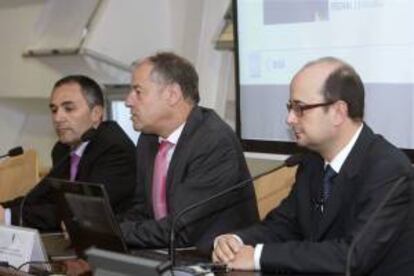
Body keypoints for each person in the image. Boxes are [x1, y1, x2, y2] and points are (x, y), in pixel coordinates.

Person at [212, 57, 414, 275]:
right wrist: (236, 241)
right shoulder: (312, 161)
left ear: (338, 112)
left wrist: (258, 256)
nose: (290, 119)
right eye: (290, 107)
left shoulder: (389, 170)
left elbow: (351, 257)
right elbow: (284, 225)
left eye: (300, 108)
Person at [119, 52, 259, 251]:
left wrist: (116, 231)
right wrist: (103, 228)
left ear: (172, 95)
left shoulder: (213, 141)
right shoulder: (149, 139)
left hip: (214, 262)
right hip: (167, 254)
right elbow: (141, 209)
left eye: (138, 91)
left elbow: (181, 230)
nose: (128, 101)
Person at [0, 75, 136, 231]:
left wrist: (9, 216)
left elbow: (81, 212)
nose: (58, 118)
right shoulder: (62, 149)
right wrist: (4, 208)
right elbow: (39, 199)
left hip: (110, 247)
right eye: (54, 110)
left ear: (96, 113)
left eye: (69, 109)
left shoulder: (115, 150)